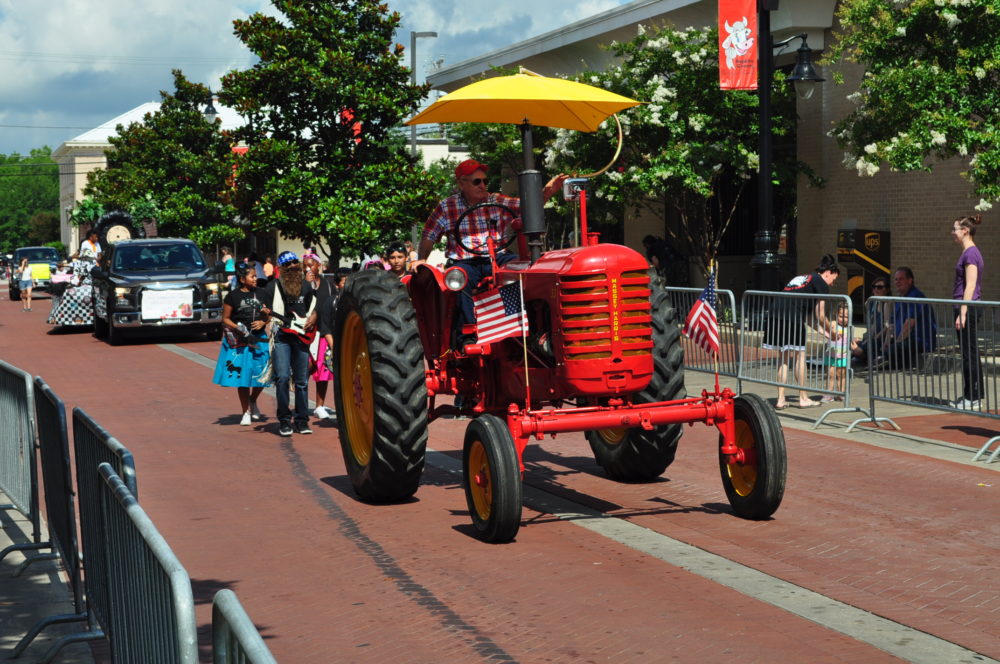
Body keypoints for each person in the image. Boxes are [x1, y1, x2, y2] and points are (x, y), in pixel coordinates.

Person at [412, 158, 567, 343]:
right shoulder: (447, 207)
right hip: (465, 261)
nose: (483, 185)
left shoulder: (496, 200)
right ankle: (467, 336)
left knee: (525, 268)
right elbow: (429, 234)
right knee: (459, 279)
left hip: (497, 257)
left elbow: (527, 207)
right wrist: (422, 258)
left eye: (485, 181)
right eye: (477, 181)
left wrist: (547, 192)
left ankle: (532, 329)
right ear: (462, 183)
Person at [763, 254, 841, 409]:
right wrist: (831, 332)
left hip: (774, 315)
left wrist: (825, 334)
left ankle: (780, 399)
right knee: (800, 357)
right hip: (791, 318)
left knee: (783, 358)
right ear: (829, 272)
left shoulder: (804, 278)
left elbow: (809, 318)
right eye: (834, 279)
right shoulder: (821, 283)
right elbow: (820, 315)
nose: (832, 284)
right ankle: (803, 398)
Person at [259, 251, 318, 436]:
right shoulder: (272, 287)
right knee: (283, 378)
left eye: (295, 262)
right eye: (288, 264)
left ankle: (302, 420)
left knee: (301, 381)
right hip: (282, 337)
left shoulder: (307, 286)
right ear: (281, 268)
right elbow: (265, 313)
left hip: (301, 336)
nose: (293, 266)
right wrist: (264, 314)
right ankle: (284, 420)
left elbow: (314, 307)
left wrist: (314, 317)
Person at [212, 263, 271, 425]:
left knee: (263, 374)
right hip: (241, 341)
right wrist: (238, 327)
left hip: (259, 339)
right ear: (242, 279)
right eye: (252, 276)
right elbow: (225, 318)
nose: (255, 279)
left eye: (255, 276)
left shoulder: (262, 293)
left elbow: (269, 314)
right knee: (243, 377)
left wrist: (263, 321)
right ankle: (245, 411)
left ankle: (253, 400)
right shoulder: (232, 296)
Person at [951, 214, 985, 410]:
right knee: (968, 352)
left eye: (955, 229)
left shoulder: (971, 253)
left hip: (967, 309)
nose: (953, 232)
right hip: (965, 308)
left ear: (965, 231)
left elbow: (970, 285)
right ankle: (972, 395)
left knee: (968, 353)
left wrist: (963, 312)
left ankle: (972, 397)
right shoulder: (968, 253)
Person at [879, 267, 937, 370]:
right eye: (896, 279)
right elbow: (891, 325)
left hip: (919, 340)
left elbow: (909, 325)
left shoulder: (915, 296)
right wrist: (886, 342)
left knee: (895, 349)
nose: (897, 282)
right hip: (903, 339)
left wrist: (896, 343)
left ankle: (889, 364)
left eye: (901, 279)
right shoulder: (899, 298)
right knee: (877, 344)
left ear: (910, 280)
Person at [303, 252, 336, 420]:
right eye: (306, 266)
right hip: (306, 332)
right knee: (306, 367)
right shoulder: (302, 284)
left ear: (319, 266)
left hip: (321, 331)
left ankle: (319, 405)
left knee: (322, 368)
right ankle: (301, 403)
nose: (309, 268)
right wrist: (307, 286)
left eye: (311, 265)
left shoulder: (328, 284)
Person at [851, 278, 892, 366]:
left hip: (880, 339)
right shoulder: (870, 303)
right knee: (855, 345)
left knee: (858, 351)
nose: (876, 289)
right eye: (874, 287)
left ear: (887, 290)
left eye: (880, 287)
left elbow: (887, 326)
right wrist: (866, 338)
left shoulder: (886, 304)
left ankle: (860, 354)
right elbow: (872, 326)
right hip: (872, 337)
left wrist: (876, 337)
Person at [823, 304, 852, 402]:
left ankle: (841, 393)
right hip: (831, 355)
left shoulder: (850, 327)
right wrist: (833, 331)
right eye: (841, 316)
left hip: (843, 355)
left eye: (846, 317)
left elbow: (851, 341)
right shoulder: (833, 324)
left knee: (841, 375)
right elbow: (827, 332)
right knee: (830, 375)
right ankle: (828, 393)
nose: (843, 319)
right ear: (836, 315)